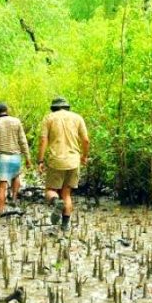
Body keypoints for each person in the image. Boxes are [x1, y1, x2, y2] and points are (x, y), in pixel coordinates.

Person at [37, 97, 90, 231]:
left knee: (50, 190)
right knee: (66, 194)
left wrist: (40, 160)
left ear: (53, 108)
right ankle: (65, 225)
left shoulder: (49, 118)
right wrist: (84, 156)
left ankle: (56, 202)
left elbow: (43, 140)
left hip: (56, 160)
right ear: (67, 107)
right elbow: (86, 140)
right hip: (73, 161)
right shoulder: (77, 118)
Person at [0, 101, 31, 214]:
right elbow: (23, 141)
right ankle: (14, 199)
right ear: (7, 110)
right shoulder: (16, 122)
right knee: (16, 177)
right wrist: (28, 158)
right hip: (16, 157)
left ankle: (1, 211)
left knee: (2, 186)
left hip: (2, 157)